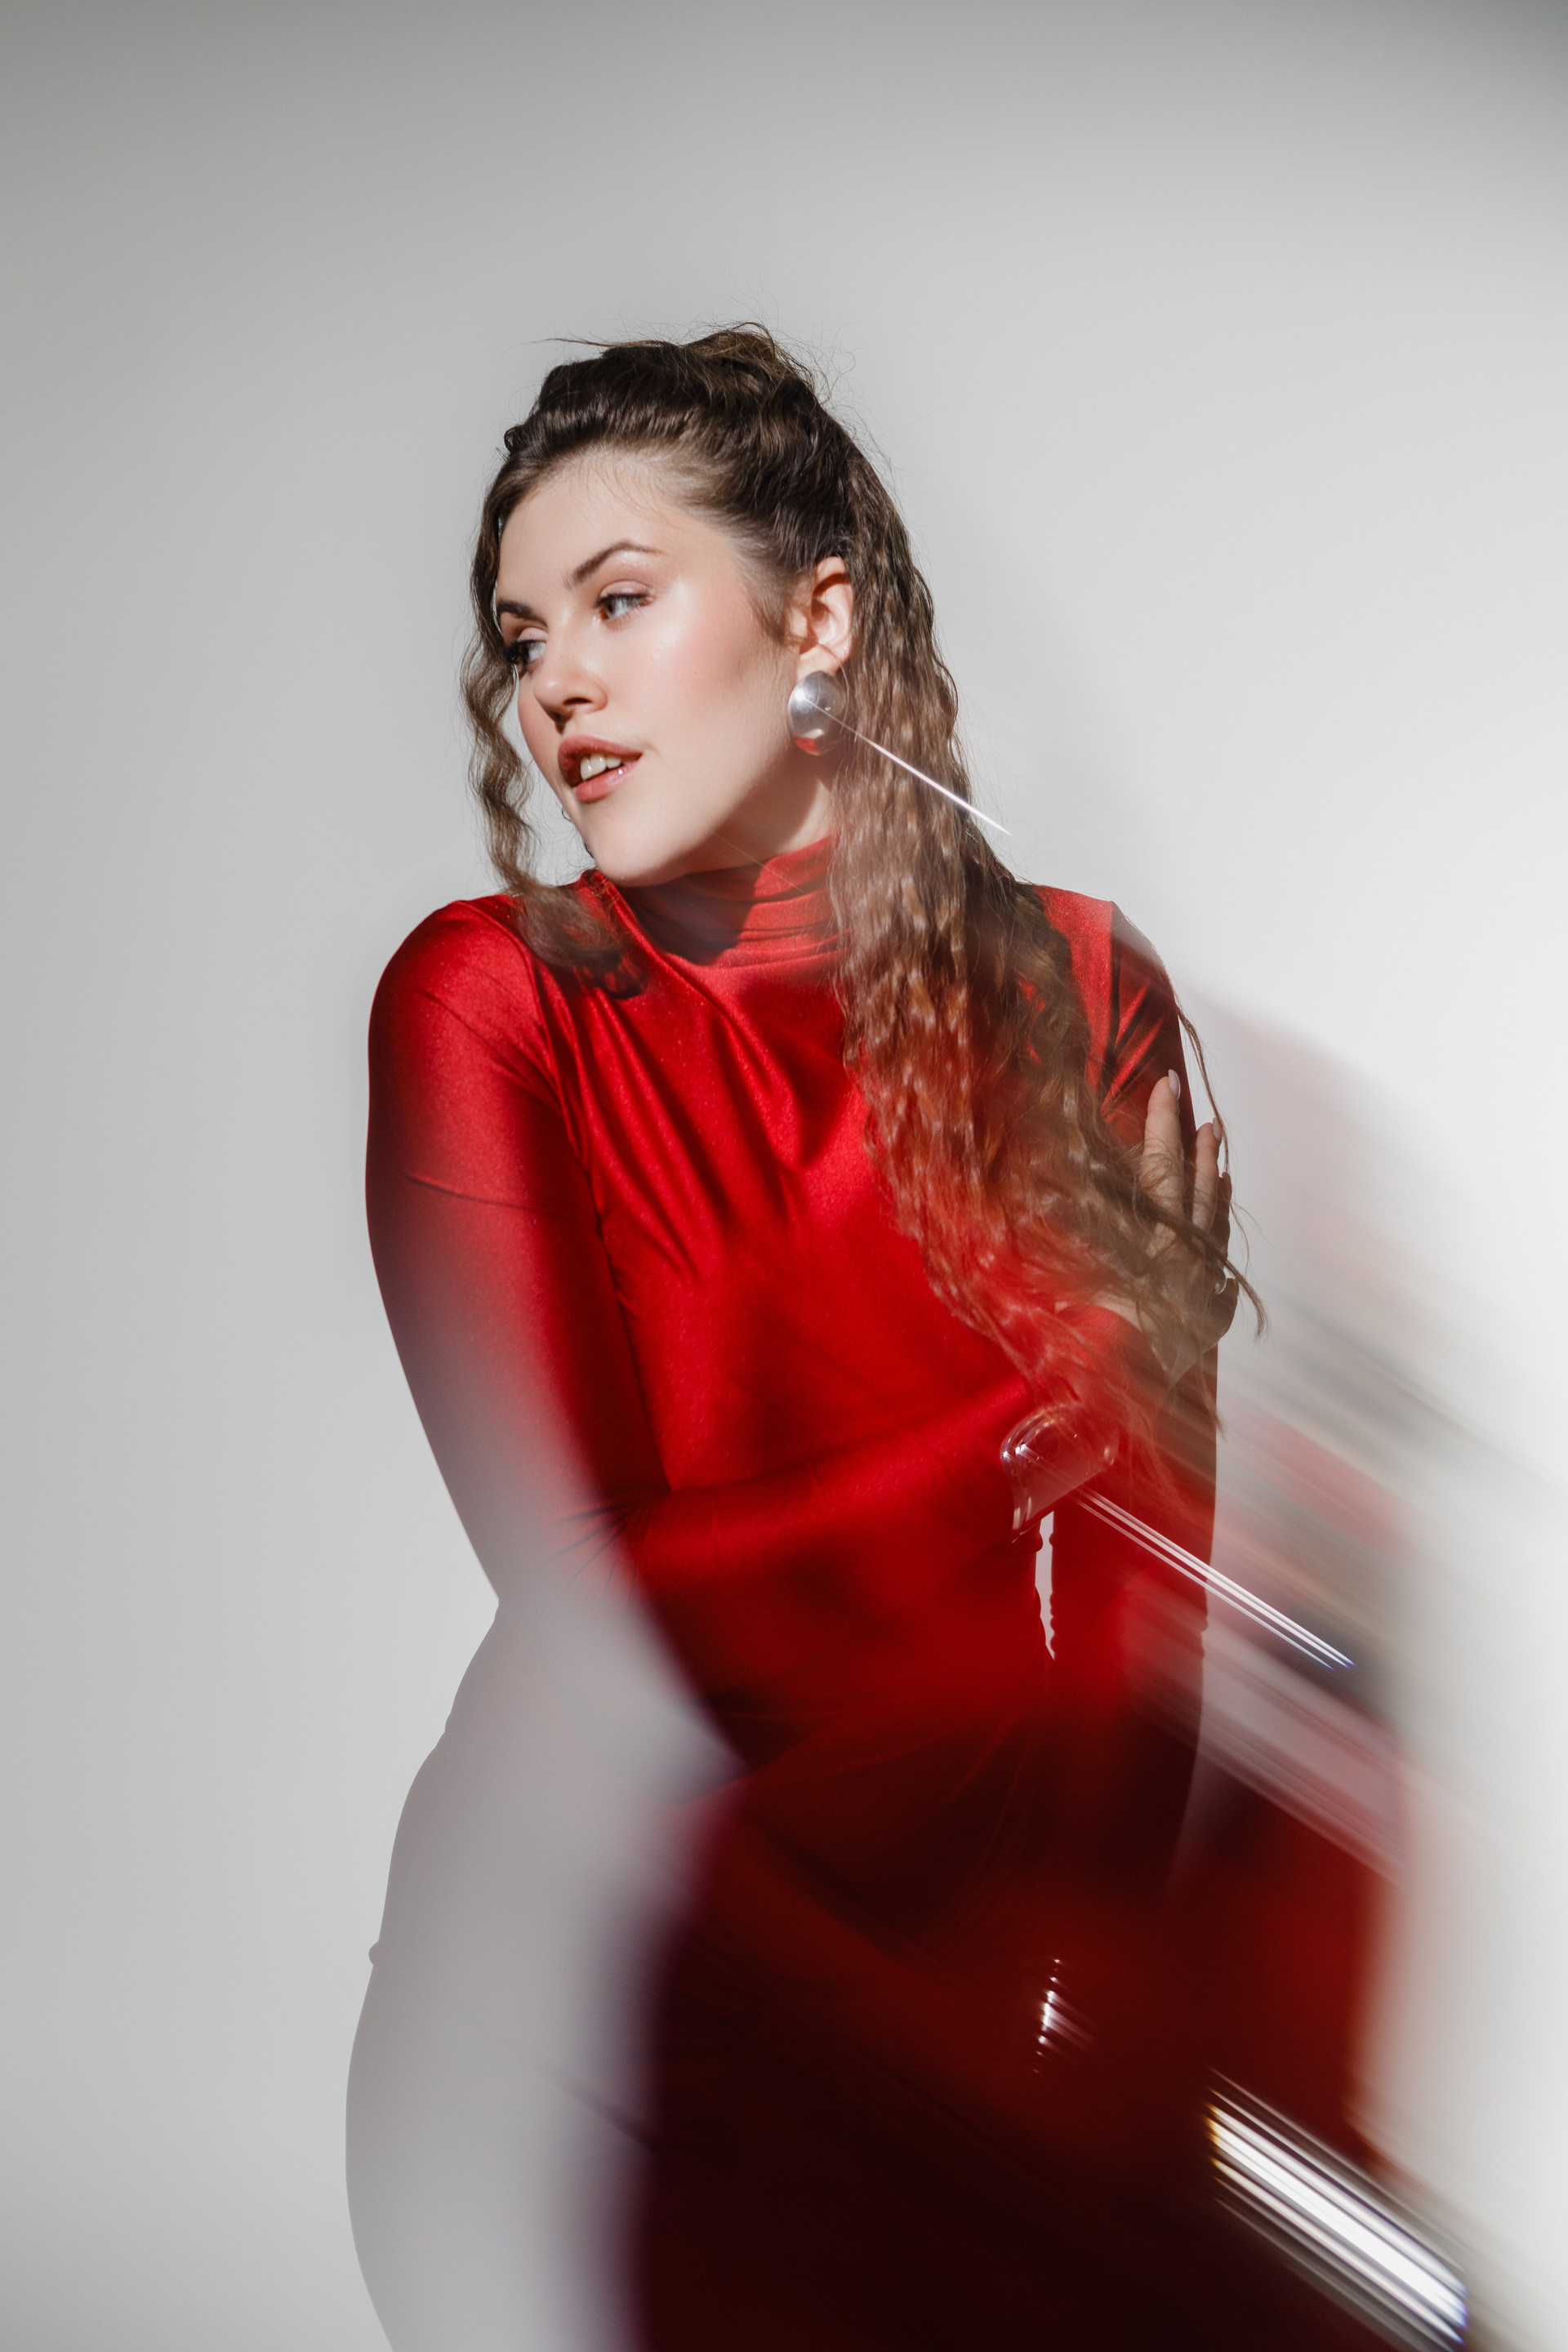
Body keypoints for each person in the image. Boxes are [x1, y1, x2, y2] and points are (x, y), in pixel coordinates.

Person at [349, 327, 1327, 2352]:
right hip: (586, 2041)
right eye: (523, 637)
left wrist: (1087, 2017)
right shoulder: (492, 1004)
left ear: (819, 621)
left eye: (619, 601)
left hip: (959, 2037)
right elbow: (612, 1614)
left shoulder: (1073, 983)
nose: (557, 685)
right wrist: (1053, 1411)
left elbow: (1145, 1608)